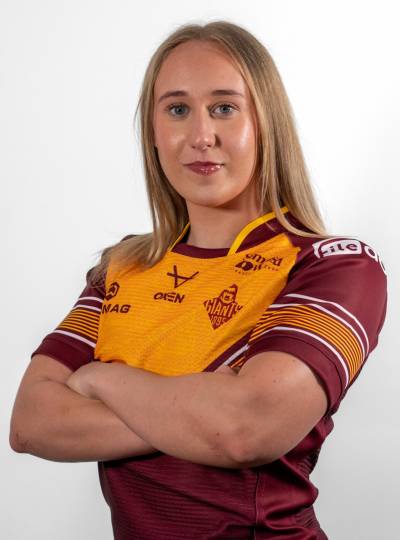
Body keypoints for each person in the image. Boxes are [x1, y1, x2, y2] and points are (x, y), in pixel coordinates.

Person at [10, 20, 387, 540]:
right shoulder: (120, 268)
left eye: (225, 108)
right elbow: (31, 423)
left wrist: (101, 379)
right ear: (153, 133)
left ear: (267, 123)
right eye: (177, 109)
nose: (200, 136)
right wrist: (201, 414)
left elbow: (246, 430)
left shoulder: (333, 266)